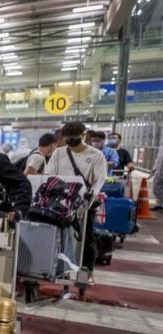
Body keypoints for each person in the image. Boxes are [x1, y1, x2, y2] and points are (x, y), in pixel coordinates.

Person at [44, 121, 108, 282]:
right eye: (67, 137)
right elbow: (49, 174)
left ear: (83, 135)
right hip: (60, 202)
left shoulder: (95, 155)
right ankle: (57, 268)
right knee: (57, 235)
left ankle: (85, 273)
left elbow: (99, 179)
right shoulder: (59, 153)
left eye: (74, 137)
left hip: (85, 202)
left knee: (86, 237)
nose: (70, 140)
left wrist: (89, 199)